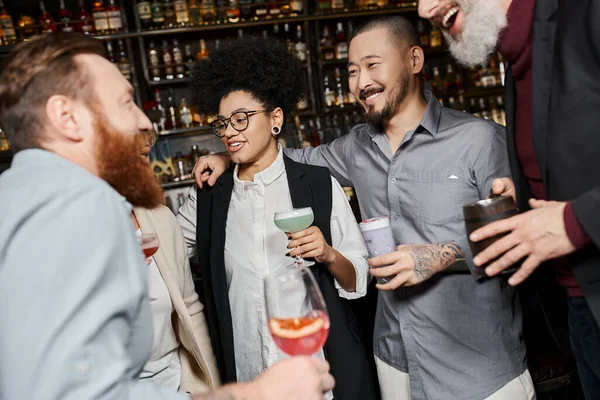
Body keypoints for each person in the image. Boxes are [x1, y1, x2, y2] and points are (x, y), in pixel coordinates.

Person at [191, 16, 533, 400]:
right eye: (352, 71)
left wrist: (443, 255)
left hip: (476, 365)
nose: (360, 82)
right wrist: (227, 155)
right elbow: (280, 160)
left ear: (414, 60)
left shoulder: (478, 139)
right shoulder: (354, 149)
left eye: (372, 65)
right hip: (393, 362)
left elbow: (520, 236)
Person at [0, 33, 334, 400]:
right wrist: (256, 395)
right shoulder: (77, 204)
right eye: (126, 102)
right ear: (67, 117)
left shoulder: (17, 197)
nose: (145, 123)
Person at [177, 37, 378, 400]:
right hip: (249, 377)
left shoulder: (317, 184)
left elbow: (358, 279)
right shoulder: (208, 196)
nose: (230, 132)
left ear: (275, 119)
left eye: (241, 119)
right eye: (222, 124)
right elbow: (167, 251)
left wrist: (328, 253)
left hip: (316, 371)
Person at [418, 0, 600, 397]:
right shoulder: (515, 57)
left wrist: (575, 222)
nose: (424, 8)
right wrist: (531, 192)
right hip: (578, 312)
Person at [127, 131, 220, 393]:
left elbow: (190, 308)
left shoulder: (161, 218)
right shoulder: (74, 231)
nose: (142, 166)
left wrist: (209, 388)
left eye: (145, 155)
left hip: (173, 383)